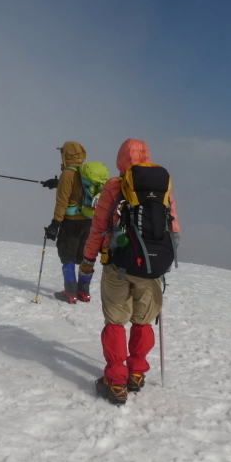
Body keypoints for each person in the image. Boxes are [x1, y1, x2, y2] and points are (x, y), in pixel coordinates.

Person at [82, 139, 180, 405]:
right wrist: (161, 262)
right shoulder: (163, 187)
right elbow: (174, 230)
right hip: (152, 268)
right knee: (143, 321)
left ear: (120, 160)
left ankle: (115, 381)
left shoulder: (115, 186)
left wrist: (88, 260)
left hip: (118, 265)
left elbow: (98, 228)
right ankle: (136, 373)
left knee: (115, 321)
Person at [44, 141, 94, 304]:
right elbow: (79, 190)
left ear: (66, 155)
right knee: (85, 256)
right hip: (88, 222)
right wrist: (57, 183)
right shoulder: (87, 172)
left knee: (67, 255)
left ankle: (70, 291)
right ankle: (83, 291)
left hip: (71, 222)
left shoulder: (68, 173)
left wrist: (55, 223)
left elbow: (62, 200)